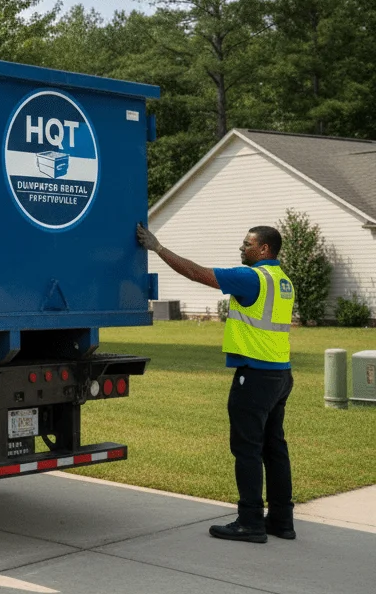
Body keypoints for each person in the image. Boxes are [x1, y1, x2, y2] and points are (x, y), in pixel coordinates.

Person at [135, 223, 296, 543]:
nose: (243, 248)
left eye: (248, 244)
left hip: (255, 376)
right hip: (281, 374)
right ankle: (281, 520)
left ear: (264, 250)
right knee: (274, 448)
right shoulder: (283, 281)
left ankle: (250, 520)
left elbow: (197, 273)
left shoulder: (251, 277)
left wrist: (158, 248)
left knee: (247, 449)